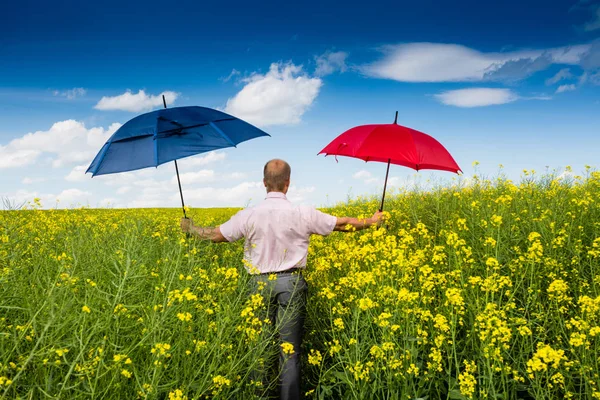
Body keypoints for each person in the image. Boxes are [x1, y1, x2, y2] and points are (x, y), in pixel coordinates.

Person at [180, 159, 384, 400]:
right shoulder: (302, 213)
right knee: (290, 352)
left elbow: (214, 235)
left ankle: (262, 395)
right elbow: (341, 224)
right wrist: (372, 222)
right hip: (291, 284)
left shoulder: (249, 215)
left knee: (260, 348)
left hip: (259, 286)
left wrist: (190, 228)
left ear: (264, 183)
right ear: (288, 183)